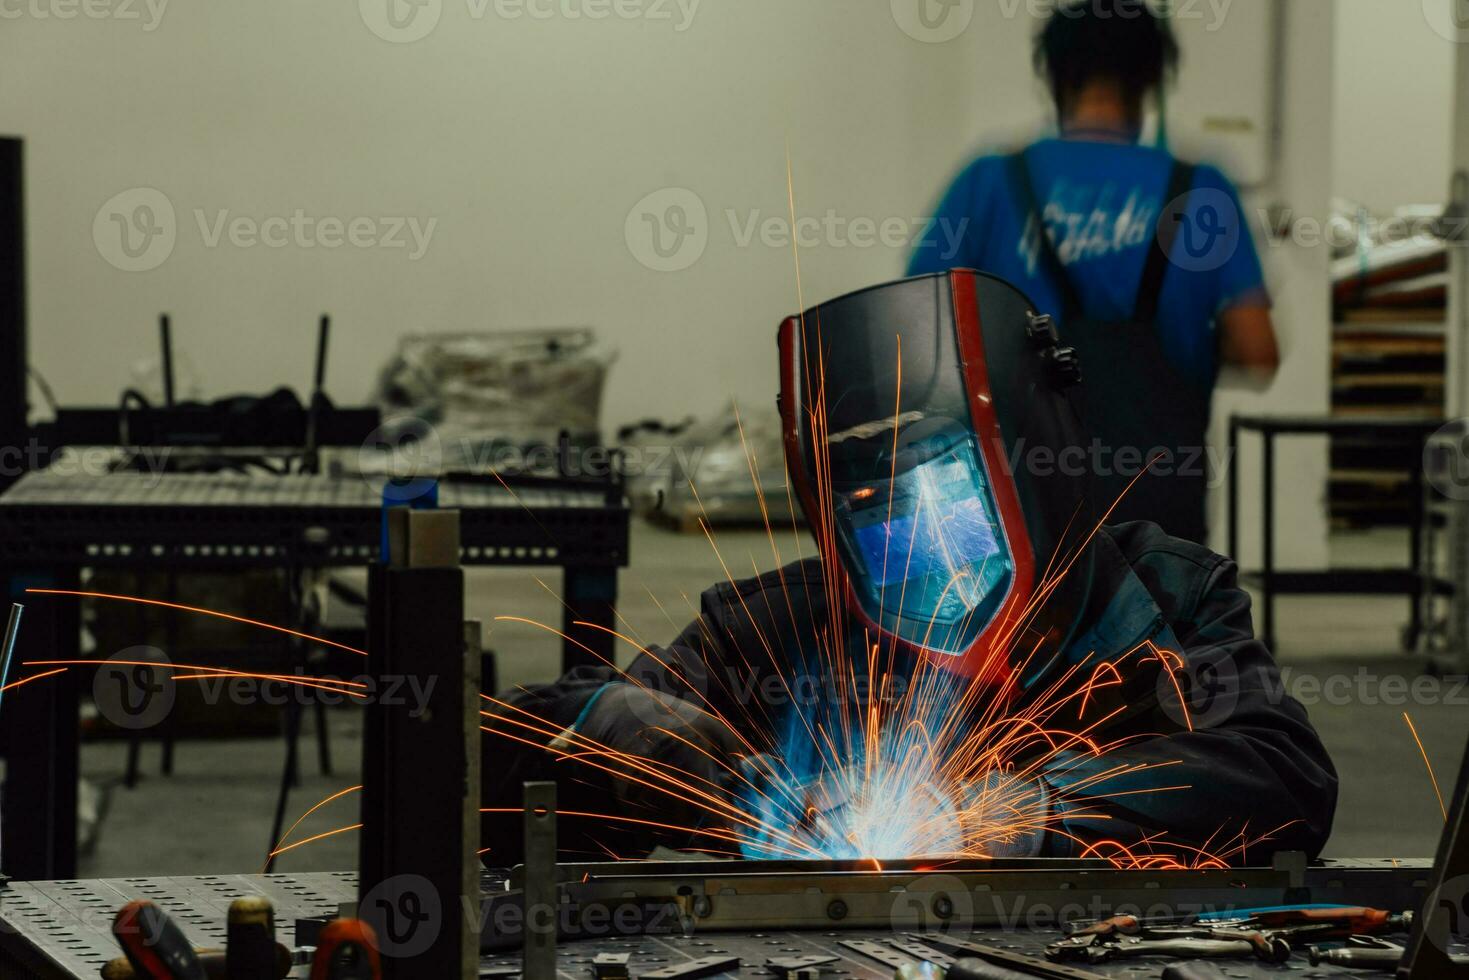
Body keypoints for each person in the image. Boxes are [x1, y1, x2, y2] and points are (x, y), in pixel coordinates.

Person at [481, 271, 1336, 865]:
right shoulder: (777, 629)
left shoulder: (1162, 594)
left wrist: (1023, 811)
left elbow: (1282, 775)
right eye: (886, 539)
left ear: (1030, 480)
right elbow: (507, 766)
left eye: (953, 519)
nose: (930, 563)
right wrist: (629, 739)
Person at [907, 0, 1279, 545]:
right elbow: (1257, 349)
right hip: (1156, 501)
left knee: (1027, 630)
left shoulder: (989, 181)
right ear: (1152, 81)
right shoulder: (1202, 188)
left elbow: (918, 329)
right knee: (1160, 622)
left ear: (1053, 77)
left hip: (1021, 495)